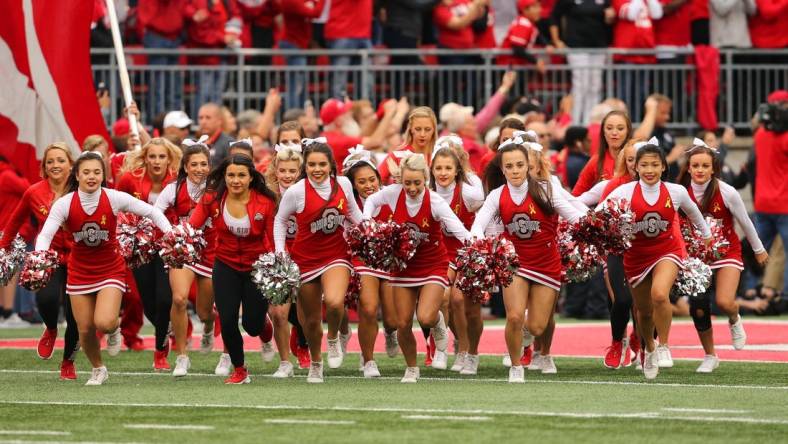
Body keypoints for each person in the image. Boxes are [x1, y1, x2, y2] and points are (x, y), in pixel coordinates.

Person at [35, 152, 172, 386]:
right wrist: (39, 258)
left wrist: (171, 234)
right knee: (85, 329)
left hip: (110, 269)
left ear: (103, 175)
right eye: (86, 172)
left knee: (105, 323)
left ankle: (114, 328)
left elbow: (151, 211)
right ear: (76, 175)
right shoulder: (65, 203)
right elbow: (45, 235)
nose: (91, 177)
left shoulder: (114, 197)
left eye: (97, 172)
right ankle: (98, 368)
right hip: (79, 272)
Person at [471, 136, 587, 383]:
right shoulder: (497, 195)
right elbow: (478, 224)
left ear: (528, 165)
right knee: (513, 316)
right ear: (502, 169)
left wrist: (596, 227)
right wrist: (479, 243)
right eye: (509, 166)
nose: (514, 171)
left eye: (519, 165)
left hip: (546, 262)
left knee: (536, 327)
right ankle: (515, 366)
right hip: (514, 262)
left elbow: (572, 215)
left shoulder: (545, 189)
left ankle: (526, 336)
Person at [600, 139, 710, 379]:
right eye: (644, 165)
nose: (649, 170)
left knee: (660, 294)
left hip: (666, 251)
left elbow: (695, 214)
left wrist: (707, 235)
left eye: (655, 165)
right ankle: (649, 347)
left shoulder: (676, 191)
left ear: (663, 167)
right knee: (643, 311)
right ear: (636, 167)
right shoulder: (624, 192)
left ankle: (664, 347)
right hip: (636, 257)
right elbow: (599, 215)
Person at [363, 153, 472, 382]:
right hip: (403, 267)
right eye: (407, 182)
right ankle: (412, 368)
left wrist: (477, 246)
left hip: (433, 264)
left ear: (425, 179)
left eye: (417, 183)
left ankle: (438, 323)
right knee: (402, 323)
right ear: (401, 180)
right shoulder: (393, 194)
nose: (412, 188)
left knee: (424, 317)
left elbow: (458, 228)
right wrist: (367, 222)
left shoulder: (434, 201)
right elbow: (372, 201)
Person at [273, 141, 364, 383]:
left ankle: (333, 338)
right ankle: (316, 361)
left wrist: (370, 231)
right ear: (305, 165)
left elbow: (354, 214)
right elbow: (280, 221)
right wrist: (281, 252)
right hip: (305, 259)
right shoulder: (297, 191)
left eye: (322, 164)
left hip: (336, 254)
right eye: (311, 164)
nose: (317, 169)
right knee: (310, 321)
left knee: (335, 302)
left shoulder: (343, 184)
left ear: (331, 165)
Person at [677, 139, 769, 373]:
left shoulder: (726, 191)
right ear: (688, 167)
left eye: (705, 166)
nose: (699, 170)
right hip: (695, 256)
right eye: (695, 165)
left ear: (713, 168)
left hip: (726, 250)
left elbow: (745, 223)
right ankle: (710, 355)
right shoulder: (679, 192)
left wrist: (758, 250)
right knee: (698, 306)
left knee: (725, 301)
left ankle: (734, 319)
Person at [188, 154, 278, 384]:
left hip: (257, 268)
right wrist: (177, 241)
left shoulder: (265, 202)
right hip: (225, 264)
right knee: (227, 319)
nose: (235, 180)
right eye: (231, 175)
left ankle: (265, 326)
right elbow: (192, 227)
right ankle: (240, 369)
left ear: (250, 178)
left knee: (252, 325)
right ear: (224, 176)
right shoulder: (211, 199)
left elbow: (272, 238)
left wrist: (277, 266)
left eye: (241, 175)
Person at [0, 144, 79, 379]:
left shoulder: (82, 189)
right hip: (49, 257)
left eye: (60, 160)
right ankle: (51, 328)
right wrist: (3, 249)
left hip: (79, 258)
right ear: (44, 167)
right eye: (50, 161)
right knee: (45, 300)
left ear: (71, 165)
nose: (55, 165)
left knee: (75, 314)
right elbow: (15, 222)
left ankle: (68, 362)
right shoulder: (33, 191)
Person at [116, 138, 182, 371]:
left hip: (167, 247)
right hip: (140, 248)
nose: (156, 161)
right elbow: (116, 205)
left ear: (169, 159)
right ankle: (167, 328)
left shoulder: (176, 180)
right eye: (152, 156)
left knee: (165, 299)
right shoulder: (128, 179)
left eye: (161, 156)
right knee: (149, 304)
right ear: (145, 158)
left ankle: (160, 352)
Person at [154, 140, 218, 377]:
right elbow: (155, 212)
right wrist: (171, 234)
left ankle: (209, 327)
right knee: (179, 299)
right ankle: (182, 356)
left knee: (204, 311)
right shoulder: (174, 188)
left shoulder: (218, 188)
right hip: (183, 252)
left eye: (204, 164)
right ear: (186, 166)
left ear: (210, 166)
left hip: (211, 252)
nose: (199, 168)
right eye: (194, 164)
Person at [342, 148, 400, 377]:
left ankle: (390, 331)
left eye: (372, 179)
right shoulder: (348, 203)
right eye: (362, 181)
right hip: (363, 259)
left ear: (379, 178)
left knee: (393, 319)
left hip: (390, 261)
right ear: (353, 184)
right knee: (367, 308)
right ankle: (368, 360)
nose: (368, 185)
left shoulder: (392, 195)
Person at [429, 137, 485, 374]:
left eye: (448, 168)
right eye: (438, 168)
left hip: (466, 252)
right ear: (431, 169)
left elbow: (485, 217)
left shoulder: (470, 193)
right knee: (446, 300)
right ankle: (460, 346)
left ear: (457, 170)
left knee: (467, 306)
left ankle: (472, 351)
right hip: (440, 255)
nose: (443, 173)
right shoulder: (426, 192)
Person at [265, 123, 311, 376]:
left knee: (306, 312)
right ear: (275, 170)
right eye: (282, 170)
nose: (287, 175)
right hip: (278, 255)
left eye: (293, 170)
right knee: (278, 312)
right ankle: (285, 362)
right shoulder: (267, 194)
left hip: (305, 254)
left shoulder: (309, 192)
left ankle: (305, 346)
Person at [550, 0, 614, 125]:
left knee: (595, 86)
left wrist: (610, 18)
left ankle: (591, 122)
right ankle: (575, 122)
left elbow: (608, 20)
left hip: (599, 47)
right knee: (580, 85)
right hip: (576, 47)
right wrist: (556, 40)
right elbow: (554, 16)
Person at [753, 91, 788, 298]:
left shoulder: (760, 135)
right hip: (784, 204)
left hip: (762, 203)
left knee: (755, 251)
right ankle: (785, 296)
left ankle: (747, 290)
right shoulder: (784, 139)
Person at [319, 98, 397, 168]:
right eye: (346, 114)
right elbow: (376, 142)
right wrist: (389, 114)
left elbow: (361, 137)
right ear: (338, 121)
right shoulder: (337, 141)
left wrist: (378, 115)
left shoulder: (328, 137)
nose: (349, 117)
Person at [572, 110, 633, 196]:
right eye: (609, 128)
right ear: (603, 133)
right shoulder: (596, 161)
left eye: (620, 128)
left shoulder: (637, 157)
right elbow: (576, 194)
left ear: (628, 132)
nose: (614, 133)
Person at [280, 0, 326, 108]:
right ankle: (294, 116)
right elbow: (315, 13)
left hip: (299, 44)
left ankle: (299, 113)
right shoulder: (292, 1)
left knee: (300, 83)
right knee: (296, 84)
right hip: (292, 43)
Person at [378, 107, 438, 184]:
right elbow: (377, 182)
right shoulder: (397, 155)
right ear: (410, 129)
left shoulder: (438, 154)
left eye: (427, 129)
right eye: (418, 129)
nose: (422, 134)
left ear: (434, 130)